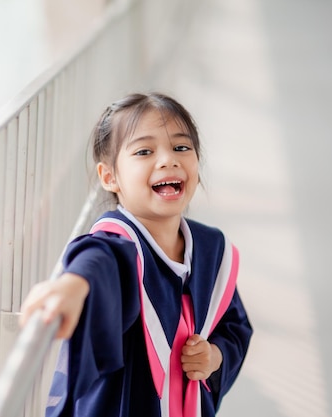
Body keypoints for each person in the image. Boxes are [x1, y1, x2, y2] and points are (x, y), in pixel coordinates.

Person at [19, 92, 252, 417]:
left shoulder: (213, 252)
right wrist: (71, 284)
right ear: (110, 177)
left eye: (181, 147)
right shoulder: (120, 243)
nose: (168, 160)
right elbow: (98, 259)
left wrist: (215, 357)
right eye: (144, 151)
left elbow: (235, 327)